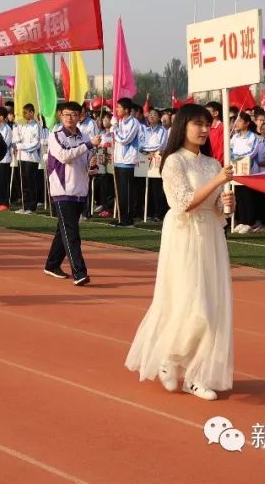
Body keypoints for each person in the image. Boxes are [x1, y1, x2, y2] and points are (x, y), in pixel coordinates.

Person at [125, 103, 236, 401]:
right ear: (183, 126)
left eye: (207, 124)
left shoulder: (212, 164)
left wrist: (226, 203)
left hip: (210, 237)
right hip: (184, 237)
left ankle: (196, 374)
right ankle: (170, 358)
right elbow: (183, 202)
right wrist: (218, 181)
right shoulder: (173, 162)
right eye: (197, 123)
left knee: (212, 307)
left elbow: (213, 208)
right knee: (191, 303)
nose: (203, 130)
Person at [43, 101, 101, 285]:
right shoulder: (56, 135)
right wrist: (89, 145)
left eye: (74, 115)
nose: (70, 118)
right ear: (61, 115)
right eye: (67, 114)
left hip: (80, 189)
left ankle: (52, 265)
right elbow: (65, 156)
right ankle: (79, 272)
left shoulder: (85, 136)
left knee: (64, 231)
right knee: (71, 232)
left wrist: (92, 166)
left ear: (80, 116)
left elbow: (86, 162)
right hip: (62, 189)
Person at [111, 98, 141, 226]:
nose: (117, 109)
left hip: (127, 161)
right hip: (118, 160)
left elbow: (124, 140)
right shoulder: (121, 122)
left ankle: (128, 219)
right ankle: (121, 218)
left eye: (119, 107)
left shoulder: (134, 123)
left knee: (127, 192)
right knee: (120, 191)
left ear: (127, 109)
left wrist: (114, 128)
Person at [14, 104, 44, 214]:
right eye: (23, 112)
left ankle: (31, 207)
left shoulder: (36, 125)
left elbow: (36, 144)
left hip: (32, 158)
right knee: (23, 183)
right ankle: (24, 205)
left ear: (32, 112)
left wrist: (22, 147)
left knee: (31, 183)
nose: (24, 114)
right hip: (22, 157)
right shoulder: (23, 125)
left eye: (26, 112)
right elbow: (17, 140)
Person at [0, 107, 14, 211]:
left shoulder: (7, 129)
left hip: (4, 158)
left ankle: (4, 203)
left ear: (1, 116)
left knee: (3, 181)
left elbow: (6, 143)